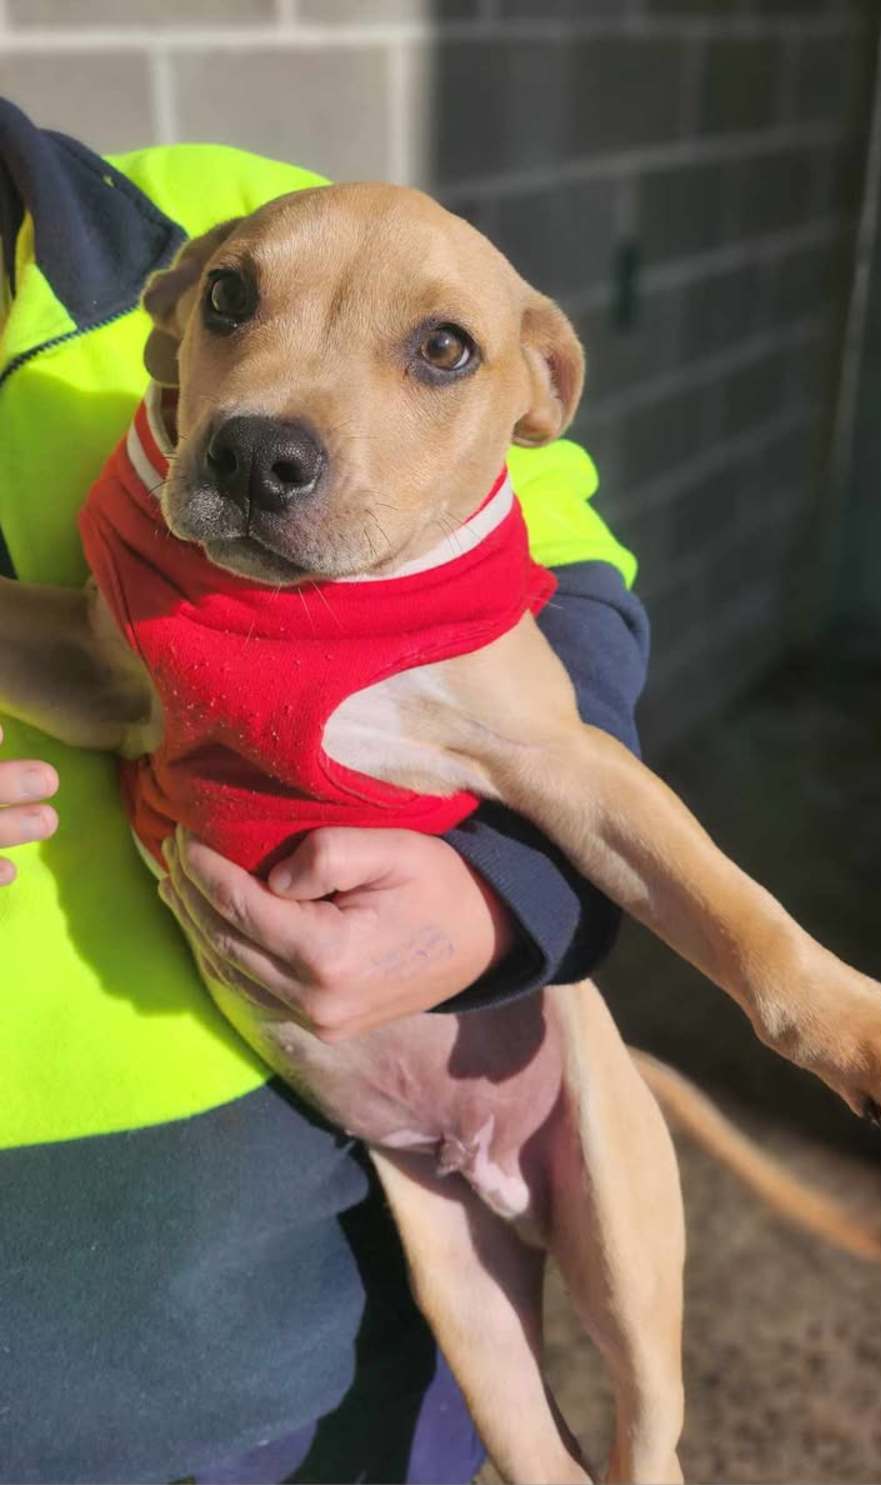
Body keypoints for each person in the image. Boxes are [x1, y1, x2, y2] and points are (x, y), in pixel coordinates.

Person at [0, 97, 649, 1484]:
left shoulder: (228, 217)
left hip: (314, 1298)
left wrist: (503, 884)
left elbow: (561, 561)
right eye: (238, 316)